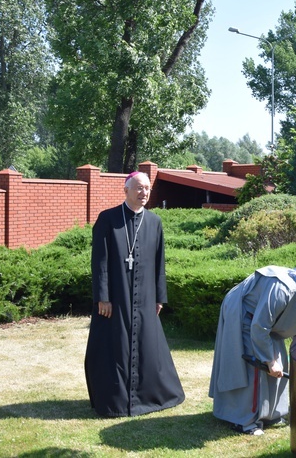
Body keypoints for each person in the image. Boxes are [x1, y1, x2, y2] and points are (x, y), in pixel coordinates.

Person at [84, 171, 185, 417]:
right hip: (115, 299)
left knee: (147, 347)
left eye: (147, 189)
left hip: (145, 298)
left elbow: (159, 263)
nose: (144, 193)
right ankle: (113, 400)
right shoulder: (107, 219)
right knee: (113, 347)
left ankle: (147, 396)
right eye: (139, 188)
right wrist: (103, 297)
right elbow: (100, 262)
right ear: (126, 190)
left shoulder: (154, 222)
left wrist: (160, 296)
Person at [209, 265, 296, 435]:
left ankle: (271, 414)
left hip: (261, 321)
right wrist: (269, 361)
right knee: (255, 367)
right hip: (243, 313)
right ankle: (244, 421)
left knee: (280, 363)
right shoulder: (282, 290)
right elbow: (260, 327)